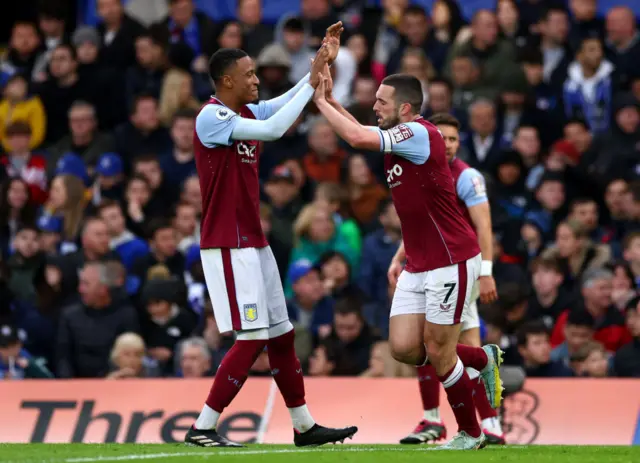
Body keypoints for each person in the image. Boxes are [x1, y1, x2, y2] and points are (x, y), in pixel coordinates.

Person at [186, 23, 357, 448]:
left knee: (280, 333)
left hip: (253, 242)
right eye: (249, 75)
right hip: (227, 243)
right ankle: (202, 426)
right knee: (254, 336)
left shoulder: (245, 110)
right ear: (226, 81)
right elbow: (276, 128)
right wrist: (314, 79)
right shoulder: (211, 116)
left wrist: (318, 65)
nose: (257, 80)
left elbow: (283, 105)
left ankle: (303, 426)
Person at [313, 70, 502, 449]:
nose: (374, 106)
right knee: (404, 348)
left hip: (451, 259)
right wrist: (332, 99)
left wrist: (318, 103)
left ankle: (472, 432)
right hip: (418, 262)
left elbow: (356, 136)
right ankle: (483, 359)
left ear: (404, 107)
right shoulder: (400, 137)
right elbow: (361, 130)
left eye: (381, 101)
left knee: (439, 351)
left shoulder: (419, 133)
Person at [398, 113, 504, 446]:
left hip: (459, 269)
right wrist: (398, 257)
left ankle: (489, 424)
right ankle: (436, 419)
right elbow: (422, 223)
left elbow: (483, 226)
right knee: (429, 343)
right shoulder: (423, 169)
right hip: (431, 265)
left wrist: (486, 273)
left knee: (449, 345)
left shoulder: (466, 176)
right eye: (441, 137)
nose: (446, 144)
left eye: (453, 139)